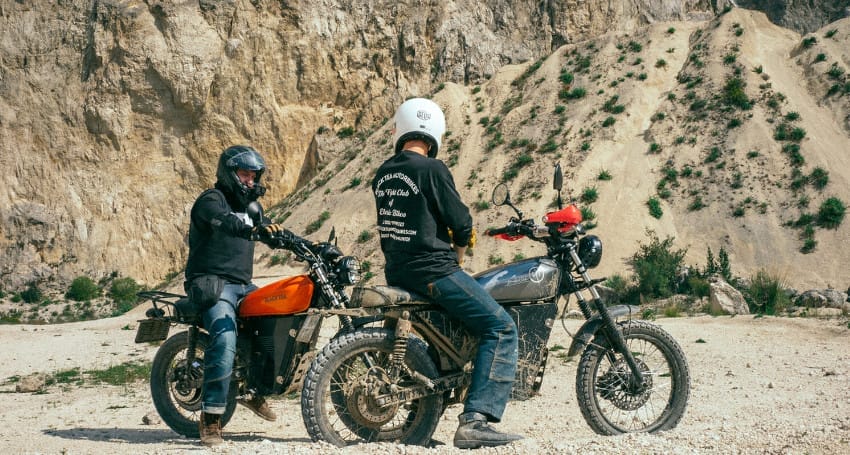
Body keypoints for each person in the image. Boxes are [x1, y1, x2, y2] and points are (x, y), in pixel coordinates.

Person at [371, 98, 523, 449]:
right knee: (500, 327)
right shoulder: (432, 170)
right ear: (434, 132)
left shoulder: (383, 173)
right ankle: (476, 419)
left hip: (398, 270)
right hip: (433, 271)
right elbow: (461, 222)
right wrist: (460, 251)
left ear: (401, 127)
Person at [184, 145, 283, 446]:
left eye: (254, 176)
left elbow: (266, 231)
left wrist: (288, 238)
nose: (251, 181)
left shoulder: (252, 206)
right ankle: (211, 419)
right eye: (245, 174)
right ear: (229, 173)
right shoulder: (211, 201)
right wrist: (250, 229)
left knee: (278, 322)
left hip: (244, 285)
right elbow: (225, 222)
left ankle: (253, 391)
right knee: (226, 337)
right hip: (212, 283)